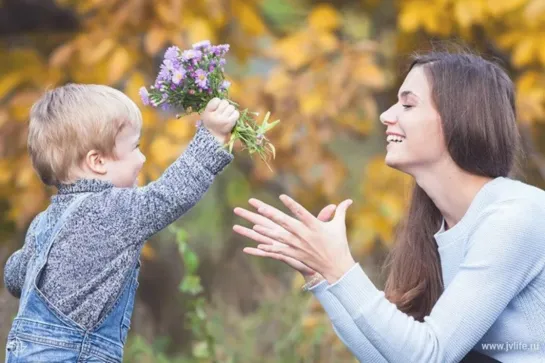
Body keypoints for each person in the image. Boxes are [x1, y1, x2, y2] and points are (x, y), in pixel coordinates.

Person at [233, 51, 545, 362]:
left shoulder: (515, 216)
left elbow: (428, 355)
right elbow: (391, 356)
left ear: (458, 119)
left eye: (408, 104)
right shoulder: (440, 226)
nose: (387, 115)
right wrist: (320, 278)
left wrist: (339, 265)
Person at [3, 84, 238, 362]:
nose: (143, 158)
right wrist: (211, 138)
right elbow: (167, 196)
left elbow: (15, 275)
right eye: (135, 147)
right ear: (98, 161)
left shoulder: (44, 221)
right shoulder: (109, 211)